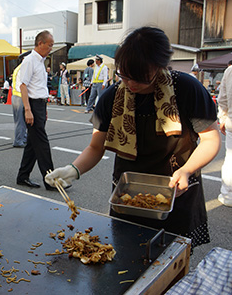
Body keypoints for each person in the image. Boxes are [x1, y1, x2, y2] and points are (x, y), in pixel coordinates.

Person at [46, 27, 220, 250]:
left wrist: (186, 170)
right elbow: (95, 147)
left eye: (140, 78)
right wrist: (73, 170)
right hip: (127, 198)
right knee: (126, 258)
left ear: (160, 66)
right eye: (125, 76)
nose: (131, 85)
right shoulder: (112, 97)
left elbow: (211, 139)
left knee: (173, 263)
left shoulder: (186, 89)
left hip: (176, 191)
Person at [16, 30, 62, 191]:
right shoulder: (29, 60)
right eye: (49, 45)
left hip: (40, 105)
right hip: (32, 105)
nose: (51, 48)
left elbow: (40, 87)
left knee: (33, 144)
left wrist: (44, 108)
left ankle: (22, 176)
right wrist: (28, 110)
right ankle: (51, 180)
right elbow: (23, 86)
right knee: (42, 144)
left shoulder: (40, 61)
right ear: (40, 43)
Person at [217, 61, 232, 207]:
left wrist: (222, 117)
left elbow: (222, 99)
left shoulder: (229, 71)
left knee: (231, 159)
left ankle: (228, 195)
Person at [12, 58, 28, 148]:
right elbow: (23, 85)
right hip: (20, 96)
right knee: (20, 121)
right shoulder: (23, 69)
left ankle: (23, 137)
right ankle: (18, 141)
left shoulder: (19, 68)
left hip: (17, 96)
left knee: (20, 120)